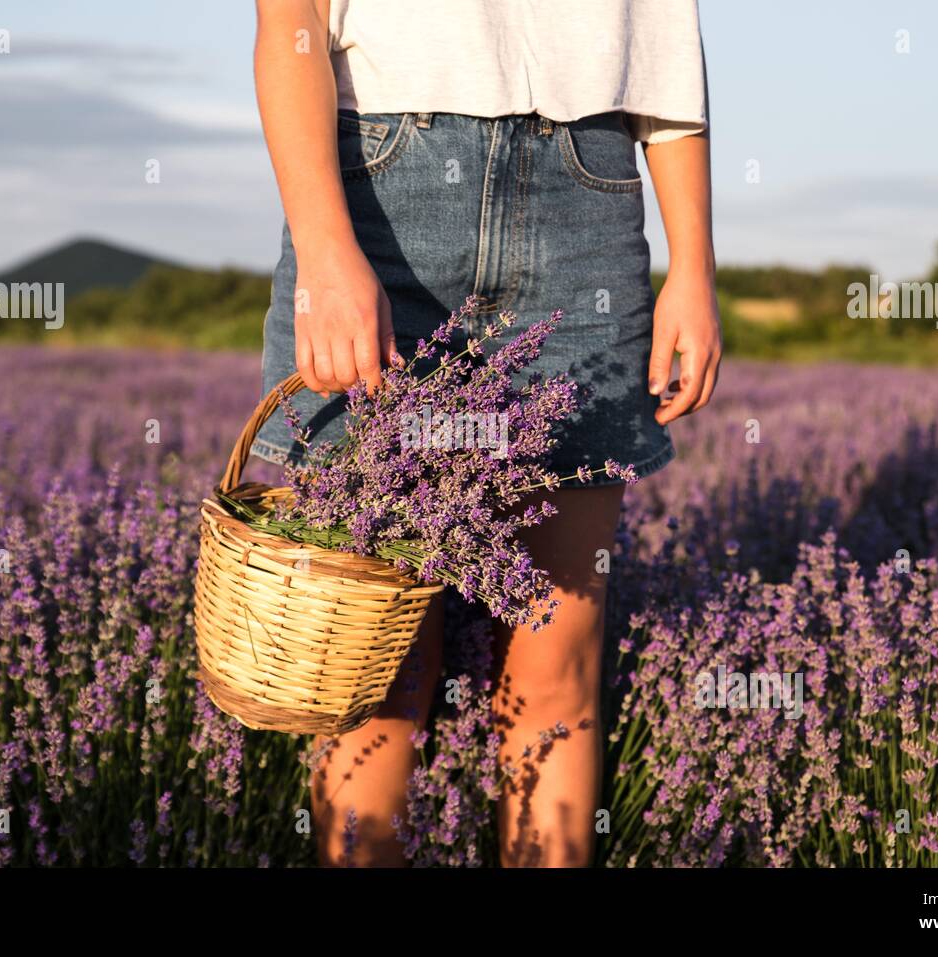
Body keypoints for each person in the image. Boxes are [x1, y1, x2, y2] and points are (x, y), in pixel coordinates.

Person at [250, 0, 721, 866]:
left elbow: (665, 56)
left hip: (589, 205)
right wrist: (323, 250)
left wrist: (693, 264)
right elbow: (291, 27)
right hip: (385, 195)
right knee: (377, 669)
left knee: (557, 669)